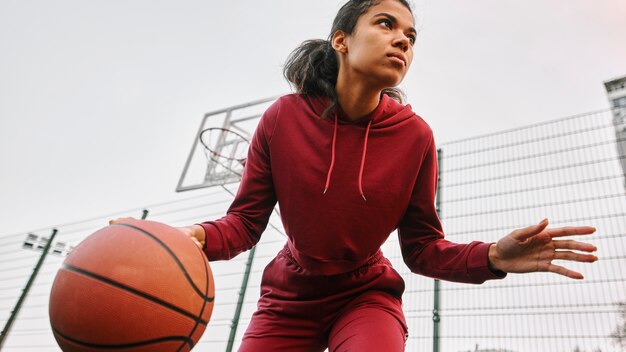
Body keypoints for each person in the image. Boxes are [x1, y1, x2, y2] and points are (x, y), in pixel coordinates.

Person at [118, 0, 597, 350]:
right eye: (386, 24)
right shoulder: (282, 120)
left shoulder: (415, 137)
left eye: (411, 36)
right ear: (341, 39)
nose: (403, 40)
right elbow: (244, 223)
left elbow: (423, 249)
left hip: (365, 294)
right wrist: (191, 238)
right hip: (288, 297)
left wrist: (491, 256)